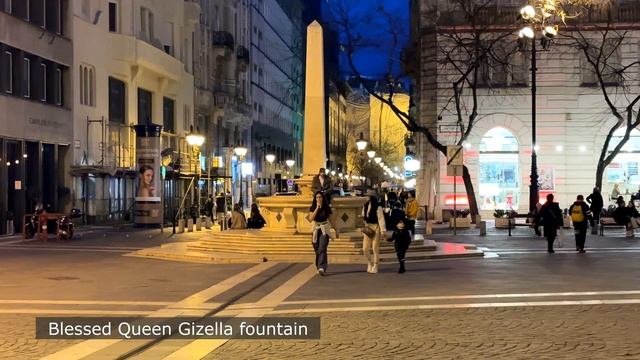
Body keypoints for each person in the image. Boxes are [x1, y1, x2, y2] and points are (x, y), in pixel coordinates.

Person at [306, 191, 338, 275]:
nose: (318, 199)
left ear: (323, 198)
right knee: (317, 248)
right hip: (316, 229)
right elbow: (310, 219)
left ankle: (321, 267)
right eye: (317, 197)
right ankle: (319, 265)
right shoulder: (312, 207)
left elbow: (332, 220)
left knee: (322, 248)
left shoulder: (326, 208)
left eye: (320, 197)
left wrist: (336, 230)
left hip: (324, 230)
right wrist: (317, 208)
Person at [362, 191, 386, 273]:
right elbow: (363, 215)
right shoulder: (365, 205)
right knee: (365, 248)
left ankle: (375, 265)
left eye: (368, 196)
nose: (366, 197)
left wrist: (383, 230)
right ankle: (370, 262)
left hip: (376, 227)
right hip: (368, 227)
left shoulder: (378, 207)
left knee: (375, 248)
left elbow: (381, 219)